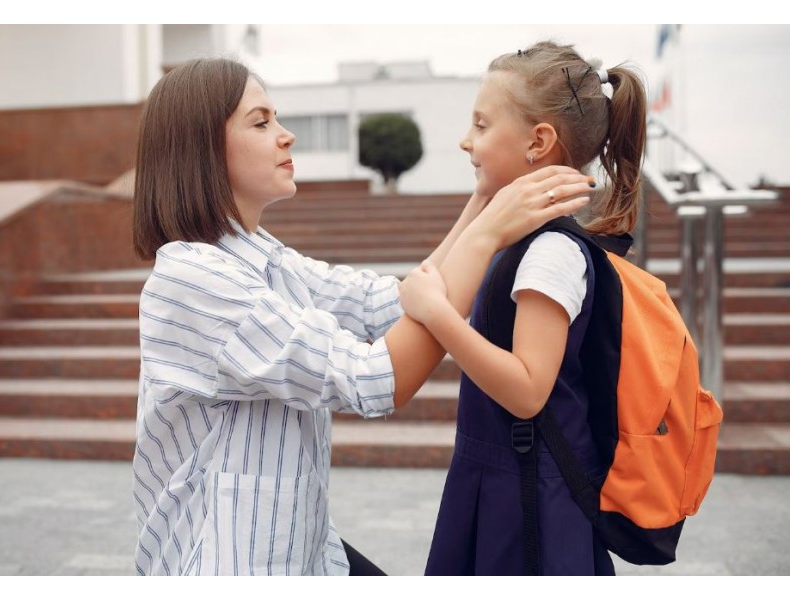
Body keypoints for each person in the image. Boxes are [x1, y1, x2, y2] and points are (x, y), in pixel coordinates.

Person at [131, 57, 592, 576]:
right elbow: (375, 377)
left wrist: (483, 200)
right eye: (261, 123)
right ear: (201, 148)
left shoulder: (265, 258)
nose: (287, 137)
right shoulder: (194, 281)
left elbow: (388, 305)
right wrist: (485, 237)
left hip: (307, 557)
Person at [399, 41, 647, 575]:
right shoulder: (517, 240)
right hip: (500, 480)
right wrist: (482, 198)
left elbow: (529, 390)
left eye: (482, 126)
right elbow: (423, 284)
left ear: (538, 141)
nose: (467, 141)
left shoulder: (550, 252)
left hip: (529, 501)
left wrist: (441, 318)